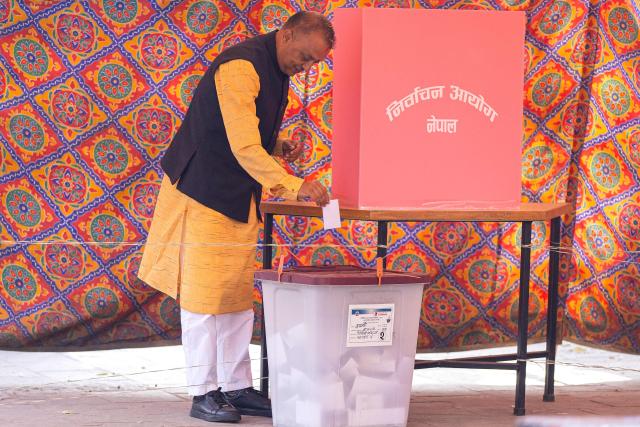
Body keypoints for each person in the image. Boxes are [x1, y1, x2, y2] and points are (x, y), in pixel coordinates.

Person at [137, 11, 334, 424]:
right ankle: (202, 391)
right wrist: (292, 184)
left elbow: (244, 131)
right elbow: (242, 145)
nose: (306, 66)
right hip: (202, 191)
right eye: (305, 55)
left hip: (236, 195)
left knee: (234, 299)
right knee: (202, 300)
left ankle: (236, 386)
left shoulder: (275, 67)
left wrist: (277, 144)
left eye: (314, 62)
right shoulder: (242, 66)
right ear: (287, 33)